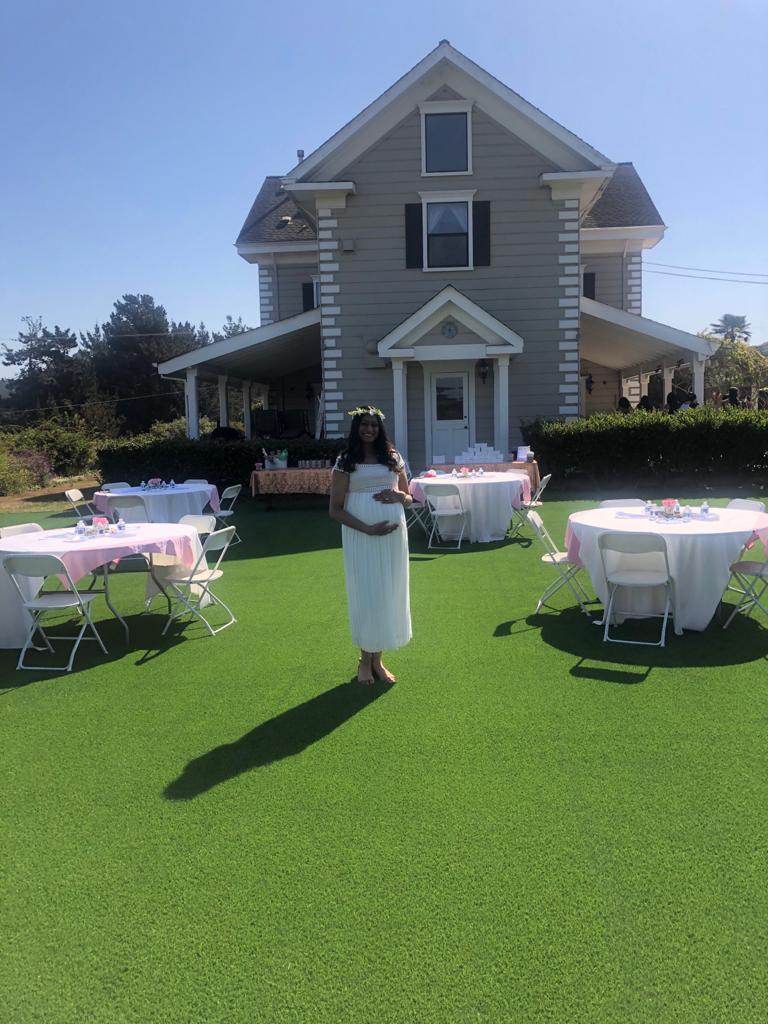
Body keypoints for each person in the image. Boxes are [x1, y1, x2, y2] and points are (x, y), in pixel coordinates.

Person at [329, 405, 412, 685]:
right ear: (356, 427)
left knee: (389, 592)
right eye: (364, 424)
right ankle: (364, 660)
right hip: (361, 536)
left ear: (380, 428)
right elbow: (335, 509)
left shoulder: (393, 458)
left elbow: (409, 497)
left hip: (392, 536)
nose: (369, 429)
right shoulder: (345, 461)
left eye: (374, 425)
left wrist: (400, 496)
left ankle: (378, 659)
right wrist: (368, 529)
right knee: (368, 594)